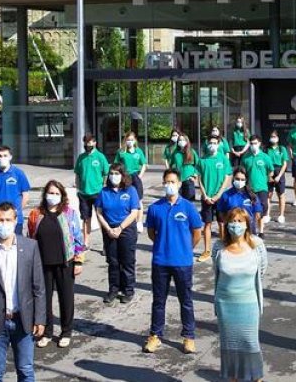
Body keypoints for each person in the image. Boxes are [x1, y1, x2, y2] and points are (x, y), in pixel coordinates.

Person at [0, 203, 46, 382]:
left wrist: (40, 319)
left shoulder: (30, 247)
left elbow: (39, 287)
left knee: (26, 369)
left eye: (7, 220)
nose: (3, 224)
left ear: (15, 221)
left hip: (23, 320)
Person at [143, 169, 205, 354]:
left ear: (179, 184)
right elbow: (151, 233)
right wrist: (165, 245)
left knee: (185, 301)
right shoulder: (155, 208)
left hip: (183, 262)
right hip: (161, 261)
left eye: (172, 182)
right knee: (158, 301)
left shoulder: (188, 207)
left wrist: (185, 248)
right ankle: (155, 335)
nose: (169, 185)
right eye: (166, 182)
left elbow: (197, 233)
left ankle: (188, 336)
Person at [25, 180, 86, 349]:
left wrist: (79, 260)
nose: (53, 196)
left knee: (66, 298)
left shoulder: (69, 213)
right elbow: (30, 237)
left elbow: (78, 238)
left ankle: (66, 331)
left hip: (65, 262)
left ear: (62, 196)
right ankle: (47, 331)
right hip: (42, 263)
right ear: (45, 194)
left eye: (56, 193)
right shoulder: (35, 214)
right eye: (50, 193)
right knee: (44, 299)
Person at [213, 208, 268, 382]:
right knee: (230, 345)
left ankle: (256, 378)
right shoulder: (219, 246)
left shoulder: (256, 244)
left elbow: (262, 270)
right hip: (225, 304)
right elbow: (217, 271)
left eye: (239, 221)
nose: (235, 225)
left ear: (246, 224)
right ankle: (234, 378)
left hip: (249, 303)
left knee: (250, 344)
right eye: (232, 221)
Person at [96, 164, 141, 303]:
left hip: (126, 229)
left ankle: (128, 290)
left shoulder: (131, 190)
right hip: (109, 229)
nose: (113, 176)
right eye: (111, 173)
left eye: (117, 173)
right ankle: (113, 290)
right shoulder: (104, 192)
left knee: (127, 261)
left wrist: (120, 228)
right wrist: (109, 229)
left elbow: (134, 212)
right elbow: (98, 212)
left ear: (123, 175)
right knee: (113, 262)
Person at [197, 135, 232, 261]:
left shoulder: (223, 159)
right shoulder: (202, 160)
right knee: (207, 224)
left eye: (214, 143)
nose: (212, 145)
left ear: (218, 144)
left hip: (220, 198)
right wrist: (205, 195)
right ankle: (207, 251)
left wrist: (219, 195)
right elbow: (199, 178)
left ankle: (223, 250)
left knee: (222, 223)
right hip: (206, 198)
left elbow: (227, 177)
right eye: (210, 143)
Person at [73, 134, 110, 252]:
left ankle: (105, 244)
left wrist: (103, 186)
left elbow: (105, 173)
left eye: (89, 142)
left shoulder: (100, 157)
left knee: (101, 218)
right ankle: (86, 242)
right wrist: (78, 188)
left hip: (97, 192)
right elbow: (77, 174)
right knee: (85, 218)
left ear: (94, 143)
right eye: (85, 142)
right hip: (84, 193)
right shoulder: (81, 157)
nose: (87, 144)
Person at [0, 146, 31, 234]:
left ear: (10, 157)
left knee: (15, 245)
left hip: (14, 219)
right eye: (0, 156)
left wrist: (17, 210)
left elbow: (25, 195)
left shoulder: (19, 174)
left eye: (5, 155)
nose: (2, 158)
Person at [240, 137, 273, 236]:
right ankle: (252, 231)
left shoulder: (265, 157)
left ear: (259, 143)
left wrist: (266, 178)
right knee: (251, 210)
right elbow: (242, 172)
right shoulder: (246, 157)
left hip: (262, 187)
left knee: (262, 209)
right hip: (250, 188)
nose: (253, 145)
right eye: (251, 143)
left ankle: (261, 230)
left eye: (255, 143)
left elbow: (271, 170)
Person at [218, 168, 264, 235]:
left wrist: (249, 225)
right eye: (237, 179)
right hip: (232, 231)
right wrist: (228, 223)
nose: (240, 181)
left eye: (242, 179)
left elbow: (257, 214)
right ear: (233, 178)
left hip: (248, 231)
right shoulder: (226, 195)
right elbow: (221, 212)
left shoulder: (252, 195)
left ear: (246, 180)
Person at [265, 130, 290, 223]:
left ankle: (281, 215)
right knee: (268, 195)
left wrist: (279, 176)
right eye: (271, 136)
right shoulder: (266, 149)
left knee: (281, 194)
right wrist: (268, 175)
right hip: (269, 172)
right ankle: (267, 215)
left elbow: (284, 164)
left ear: (278, 138)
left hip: (279, 171)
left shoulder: (282, 148)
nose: (273, 138)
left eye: (274, 136)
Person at [115, 131, 148, 200]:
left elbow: (144, 164)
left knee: (138, 198)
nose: (130, 141)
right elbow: (116, 165)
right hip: (125, 176)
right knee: (125, 197)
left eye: (132, 140)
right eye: (128, 140)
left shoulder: (138, 151)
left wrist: (140, 176)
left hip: (136, 176)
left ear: (135, 140)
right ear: (125, 140)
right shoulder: (121, 151)